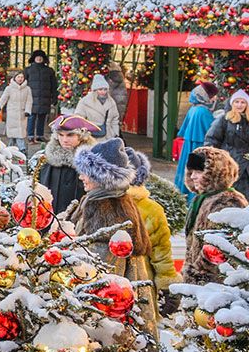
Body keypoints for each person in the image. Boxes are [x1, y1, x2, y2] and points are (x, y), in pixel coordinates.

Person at [68, 138, 159, 335]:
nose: (81, 177)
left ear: (102, 177)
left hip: (110, 302)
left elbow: (105, 268)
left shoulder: (107, 205)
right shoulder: (97, 199)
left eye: (87, 173)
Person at [180, 147, 248, 286]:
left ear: (215, 173)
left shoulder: (229, 202)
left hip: (217, 282)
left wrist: (197, 272)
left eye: (199, 171)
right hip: (199, 278)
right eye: (191, 172)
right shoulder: (202, 199)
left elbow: (219, 246)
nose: (193, 176)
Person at [125, 146, 179, 306]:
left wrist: (167, 287)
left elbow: (161, 252)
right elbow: (162, 253)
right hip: (141, 285)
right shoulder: (152, 209)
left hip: (131, 283)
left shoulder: (151, 209)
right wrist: (167, 285)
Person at [205, 89, 249, 201]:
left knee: (248, 198)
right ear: (232, 103)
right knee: (227, 196)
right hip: (228, 163)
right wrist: (213, 160)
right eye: (236, 102)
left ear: (247, 104)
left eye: (243, 102)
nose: (239, 105)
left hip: (248, 166)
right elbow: (212, 140)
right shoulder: (224, 120)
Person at [39, 114, 99, 217]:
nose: (64, 140)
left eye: (70, 135)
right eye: (61, 135)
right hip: (50, 219)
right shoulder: (48, 159)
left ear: (81, 137)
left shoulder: (92, 162)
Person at [173, 84, 218, 192]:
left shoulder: (193, 109)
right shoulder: (203, 112)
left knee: (187, 171)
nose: (215, 98)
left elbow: (183, 129)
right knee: (198, 172)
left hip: (189, 144)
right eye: (213, 95)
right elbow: (211, 130)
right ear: (207, 96)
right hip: (200, 145)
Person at [23, 49, 59, 143]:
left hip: (45, 97)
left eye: (41, 57)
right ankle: (30, 136)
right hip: (31, 97)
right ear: (33, 58)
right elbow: (23, 84)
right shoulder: (28, 70)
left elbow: (54, 85)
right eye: (37, 57)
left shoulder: (49, 71)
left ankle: (40, 135)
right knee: (32, 116)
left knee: (42, 117)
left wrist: (54, 97)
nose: (39, 58)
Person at [73, 74, 122, 139]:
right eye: (100, 89)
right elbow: (79, 118)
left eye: (105, 89)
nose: (103, 92)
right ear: (95, 90)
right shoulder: (85, 101)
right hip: (91, 136)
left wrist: (115, 132)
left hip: (108, 136)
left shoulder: (111, 102)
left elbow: (115, 118)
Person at [0, 71, 33, 152]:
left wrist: (28, 111)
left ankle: (19, 149)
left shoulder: (27, 89)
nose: (20, 79)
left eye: (22, 77)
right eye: (18, 77)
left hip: (22, 114)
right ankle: (15, 148)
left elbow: (29, 101)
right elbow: (3, 99)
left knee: (20, 134)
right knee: (12, 134)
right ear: (15, 78)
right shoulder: (9, 88)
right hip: (12, 113)